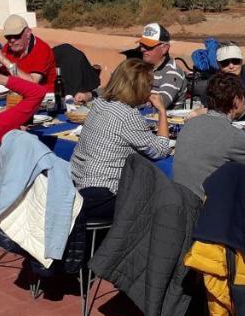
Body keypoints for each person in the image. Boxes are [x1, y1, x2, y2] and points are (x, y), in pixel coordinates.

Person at [71, 59, 173, 220]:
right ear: (139, 87)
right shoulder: (127, 115)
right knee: (158, 200)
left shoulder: (100, 103)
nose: (150, 90)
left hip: (76, 184)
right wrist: (161, 111)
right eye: (149, 86)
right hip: (102, 194)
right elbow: (160, 151)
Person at [173, 73, 245, 199]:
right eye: (243, 97)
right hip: (205, 209)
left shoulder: (190, 124)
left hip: (179, 199)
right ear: (236, 101)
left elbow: (220, 146)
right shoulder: (233, 136)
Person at [0, 14, 57, 90]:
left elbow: (33, 82)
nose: (12, 40)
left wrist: (6, 61)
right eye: (8, 37)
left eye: (16, 35)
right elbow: (4, 72)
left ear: (28, 33)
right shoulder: (9, 47)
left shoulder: (41, 49)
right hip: (16, 91)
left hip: (44, 94)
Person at [137, 22, 187, 109]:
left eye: (148, 46)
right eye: (141, 45)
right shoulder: (144, 67)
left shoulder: (173, 72)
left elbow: (161, 103)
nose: (142, 49)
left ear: (164, 48)